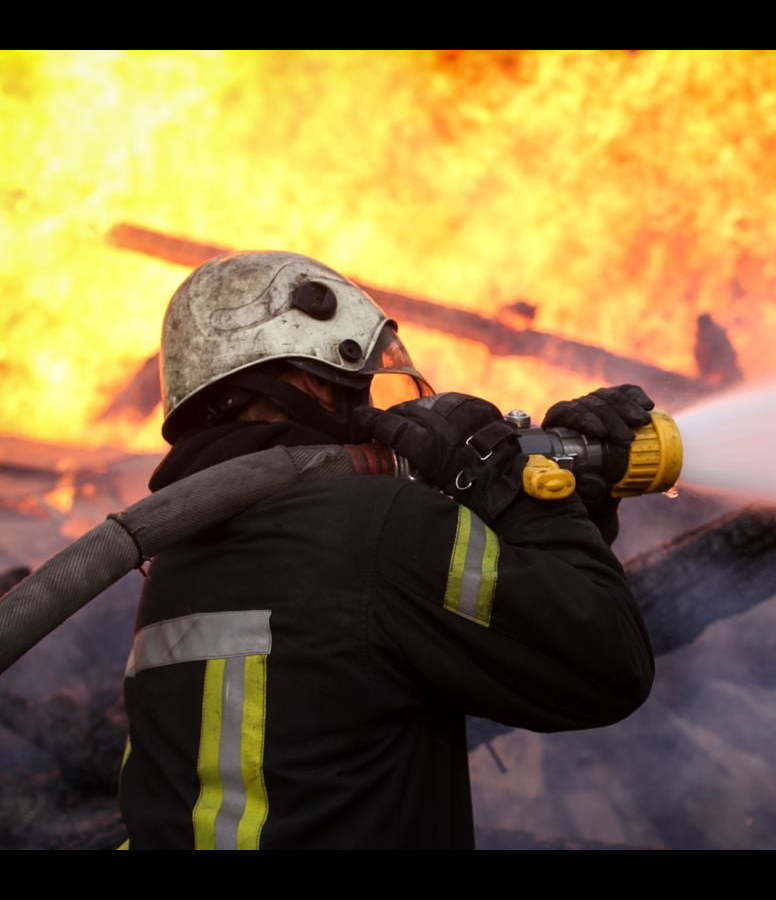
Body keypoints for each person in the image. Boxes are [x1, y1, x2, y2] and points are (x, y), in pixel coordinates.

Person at [118, 251, 656, 850]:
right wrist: (515, 491)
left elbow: (495, 625)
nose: (366, 411)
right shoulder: (379, 529)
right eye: (350, 387)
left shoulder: (172, 561)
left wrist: (574, 509)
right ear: (312, 383)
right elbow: (606, 659)